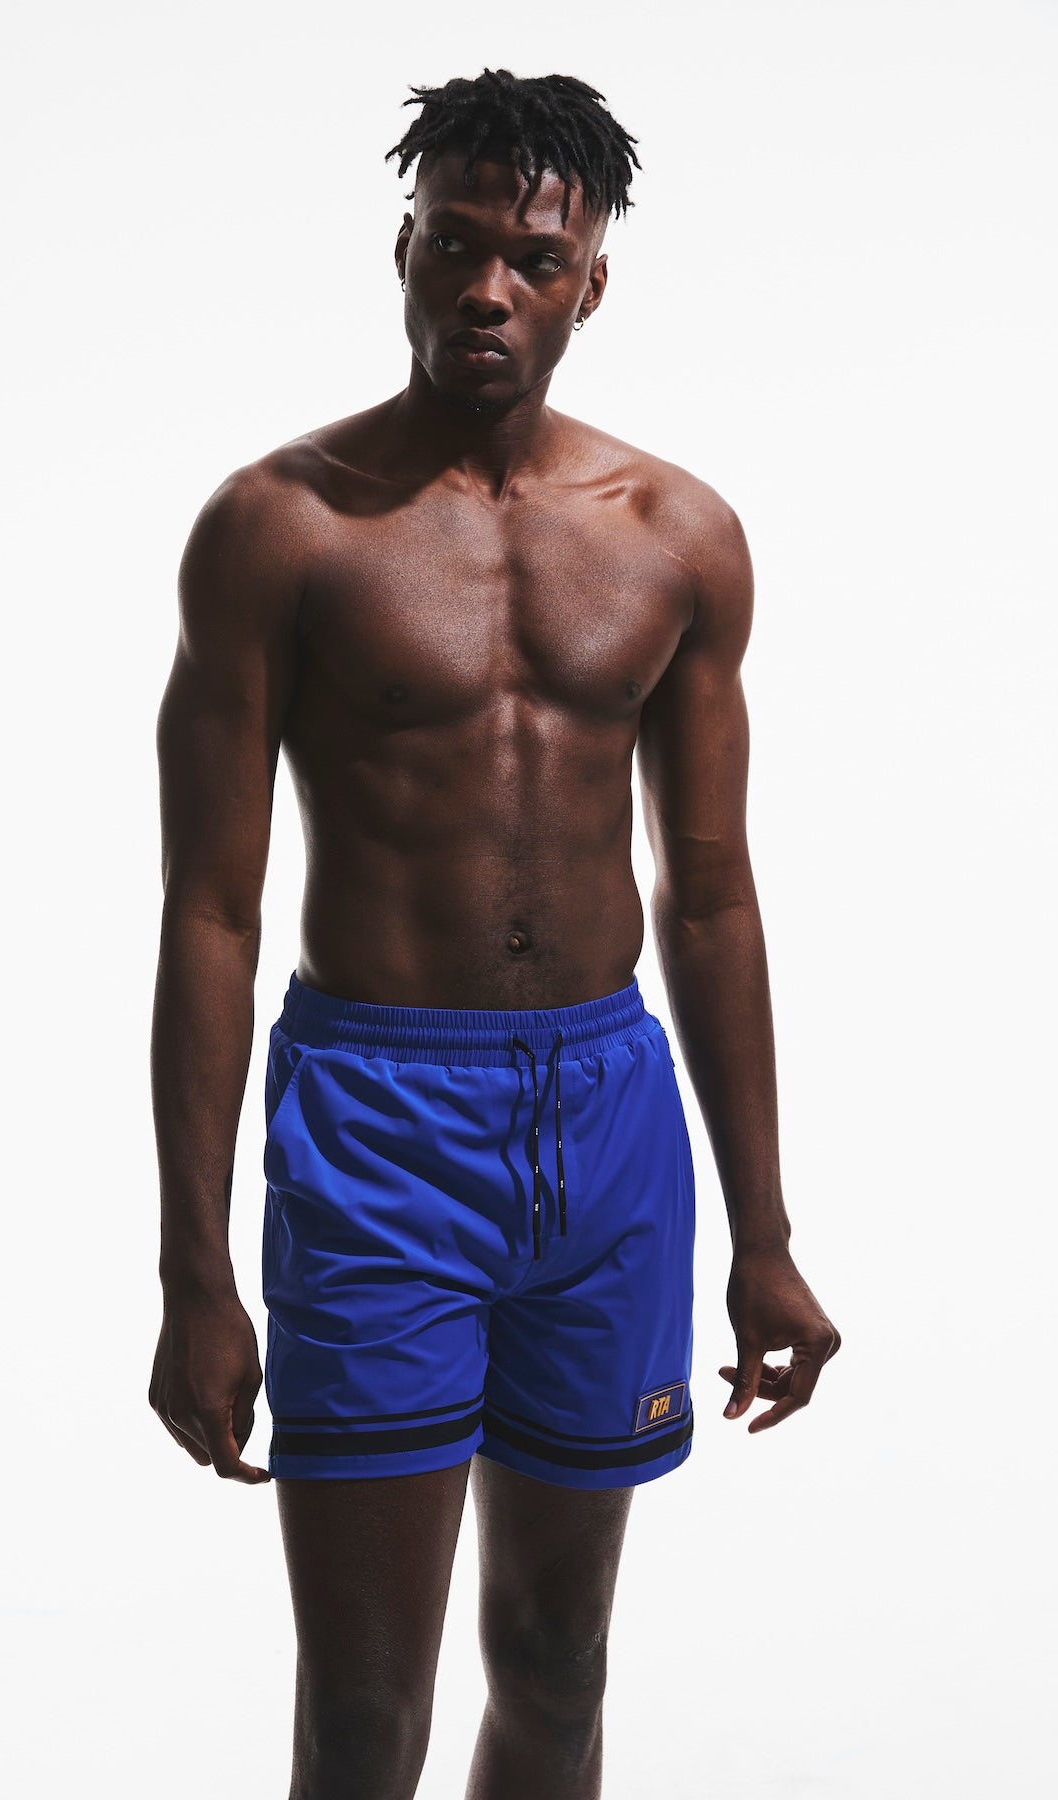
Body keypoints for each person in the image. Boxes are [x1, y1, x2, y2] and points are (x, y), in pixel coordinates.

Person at [148, 66, 840, 1800]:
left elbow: (713, 894)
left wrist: (764, 1231)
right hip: (379, 1125)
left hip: (608, 1120)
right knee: (361, 1714)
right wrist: (193, 1272)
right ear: (401, 251)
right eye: (453, 245)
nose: (486, 288)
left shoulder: (678, 536)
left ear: (591, 282)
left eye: (531, 259)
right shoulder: (278, 528)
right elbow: (212, 910)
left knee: (556, 1663)